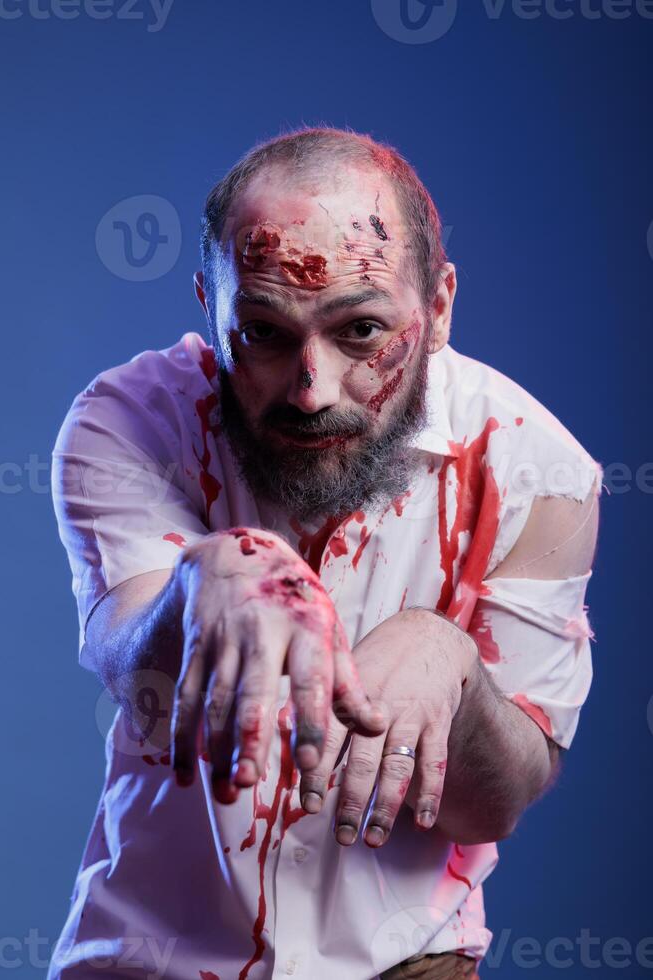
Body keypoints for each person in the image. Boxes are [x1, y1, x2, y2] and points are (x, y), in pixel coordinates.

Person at [49, 127, 603, 980]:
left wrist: (451, 661)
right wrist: (196, 587)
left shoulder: (538, 471)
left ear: (442, 306)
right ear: (209, 305)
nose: (313, 390)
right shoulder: (131, 423)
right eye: (263, 332)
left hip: (411, 965)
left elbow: (498, 798)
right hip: (144, 961)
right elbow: (129, 662)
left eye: (362, 330)